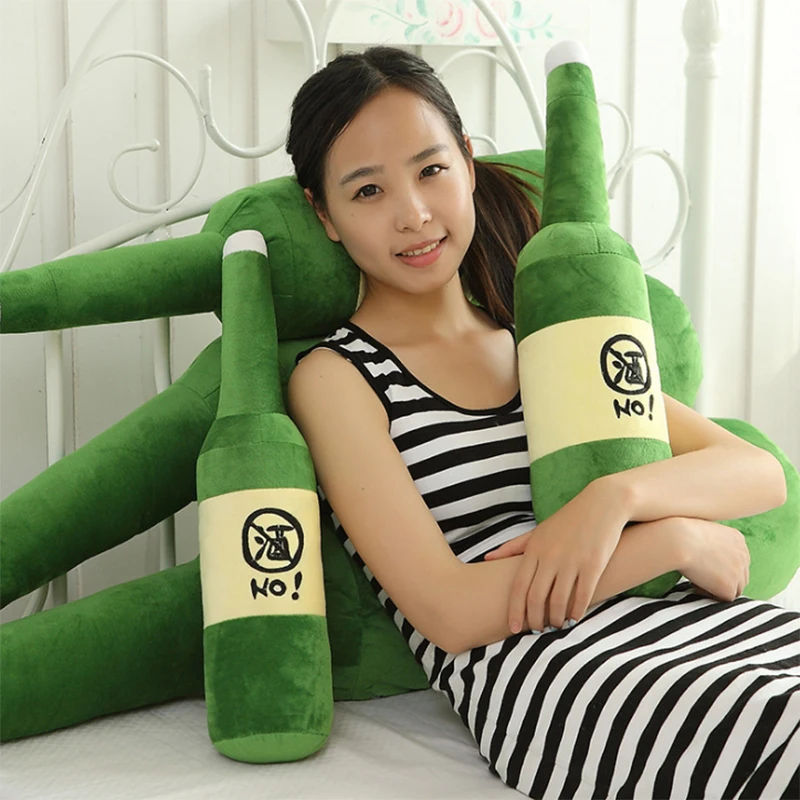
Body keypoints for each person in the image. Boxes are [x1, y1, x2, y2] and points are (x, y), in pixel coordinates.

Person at [286, 46, 800, 799]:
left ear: (467, 163)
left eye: (431, 170)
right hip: (568, 676)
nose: (414, 213)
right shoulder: (337, 377)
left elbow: (759, 474)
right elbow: (450, 613)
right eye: (368, 191)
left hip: (715, 633)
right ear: (324, 215)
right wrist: (675, 540)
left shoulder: (542, 347)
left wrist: (612, 500)